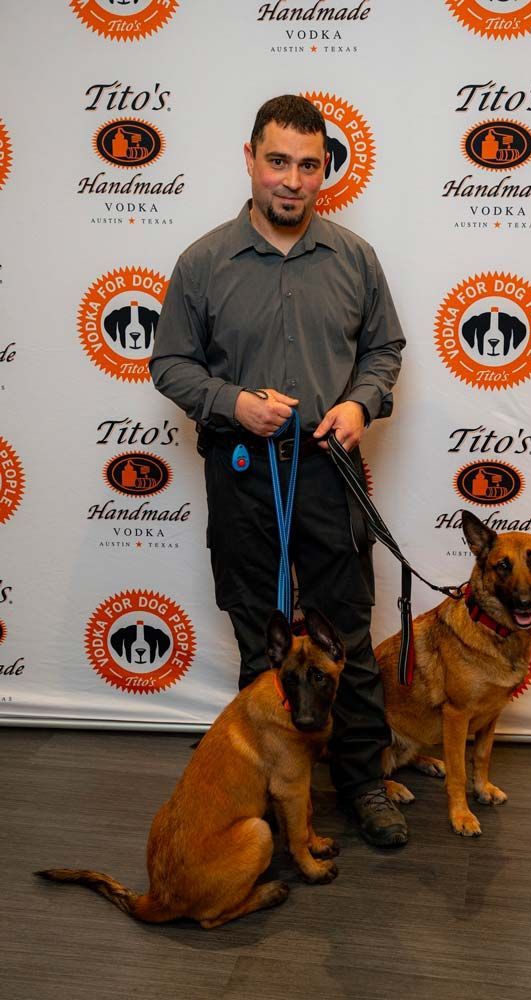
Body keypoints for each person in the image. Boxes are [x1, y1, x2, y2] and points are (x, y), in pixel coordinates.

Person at [149, 94, 407, 847]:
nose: (292, 180)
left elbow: (383, 351)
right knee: (263, 642)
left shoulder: (354, 257)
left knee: (347, 638)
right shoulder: (202, 262)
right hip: (242, 474)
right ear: (250, 159)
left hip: (330, 473)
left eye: (308, 165)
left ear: (325, 169)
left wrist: (361, 405)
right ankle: (255, 789)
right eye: (277, 162)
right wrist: (232, 402)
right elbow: (168, 363)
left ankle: (362, 784)